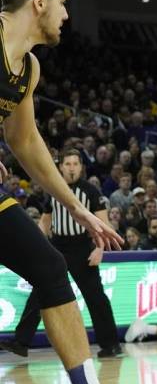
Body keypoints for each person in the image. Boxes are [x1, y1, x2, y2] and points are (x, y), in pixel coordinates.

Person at [0, 0, 122, 384]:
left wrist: (77, 208)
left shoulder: (27, 69)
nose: (67, 15)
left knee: (50, 267)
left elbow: (26, 141)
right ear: (39, 3)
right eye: (63, 3)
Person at [1, 149, 121, 359]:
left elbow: (102, 221)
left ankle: (110, 343)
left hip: (83, 248)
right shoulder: (54, 191)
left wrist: (99, 249)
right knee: (40, 293)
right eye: (68, 164)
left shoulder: (90, 191)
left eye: (75, 164)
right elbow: (45, 221)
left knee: (96, 297)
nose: (72, 168)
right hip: (58, 245)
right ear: (60, 167)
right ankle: (21, 341)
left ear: (81, 167)